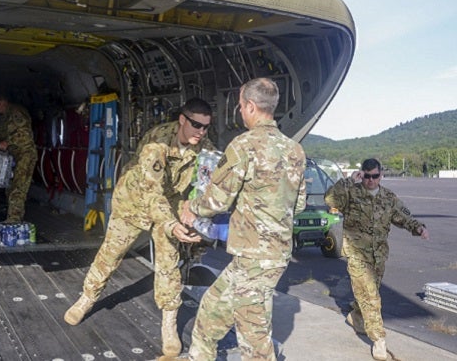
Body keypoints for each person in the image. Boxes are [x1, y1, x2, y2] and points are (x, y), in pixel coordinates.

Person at [64, 98, 216, 358]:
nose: (201, 132)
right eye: (195, 125)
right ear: (182, 119)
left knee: (169, 262)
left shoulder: (204, 148)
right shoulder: (157, 143)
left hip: (168, 205)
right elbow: (151, 192)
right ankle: (87, 297)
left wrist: (194, 213)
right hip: (134, 202)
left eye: (205, 127)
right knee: (111, 254)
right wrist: (170, 223)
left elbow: (209, 181)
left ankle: (168, 323)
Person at [178, 77, 307, 361]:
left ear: (249, 106)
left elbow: (217, 201)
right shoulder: (295, 150)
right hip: (269, 255)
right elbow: (298, 205)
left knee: (254, 339)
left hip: (254, 258)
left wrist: (190, 207)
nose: (240, 111)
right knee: (211, 313)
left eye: (240, 105)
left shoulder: (243, 146)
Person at [324, 158, 429, 361]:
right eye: (367, 176)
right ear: (361, 174)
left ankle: (356, 316)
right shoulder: (351, 193)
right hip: (357, 255)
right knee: (371, 296)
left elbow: (403, 217)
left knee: (366, 295)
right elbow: (330, 200)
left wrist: (419, 228)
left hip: (379, 256)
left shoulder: (388, 197)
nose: (371, 180)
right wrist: (347, 181)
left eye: (375, 176)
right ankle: (379, 340)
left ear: (381, 175)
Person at [0, 93, 37, 223]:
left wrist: (8, 142)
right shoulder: (3, 117)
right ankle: (13, 216)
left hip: (24, 154)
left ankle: (14, 219)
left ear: (1, 101)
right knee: (9, 187)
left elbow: (25, 133)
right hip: (11, 157)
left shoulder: (16, 112)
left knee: (18, 186)